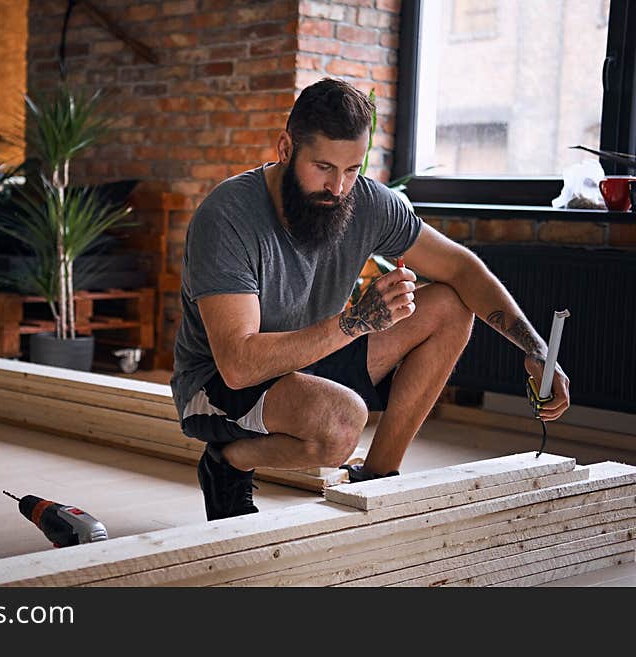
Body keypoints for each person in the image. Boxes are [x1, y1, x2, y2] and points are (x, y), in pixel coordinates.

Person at [169, 78, 571, 521]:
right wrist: (356, 321)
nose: (338, 187)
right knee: (342, 423)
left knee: (449, 306)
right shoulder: (227, 217)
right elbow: (239, 364)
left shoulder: (365, 203)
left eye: (351, 169)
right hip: (220, 386)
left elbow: (461, 268)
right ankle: (229, 463)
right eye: (323, 167)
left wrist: (535, 349)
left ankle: (376, 481)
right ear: (285, 148)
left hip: (308, 361)